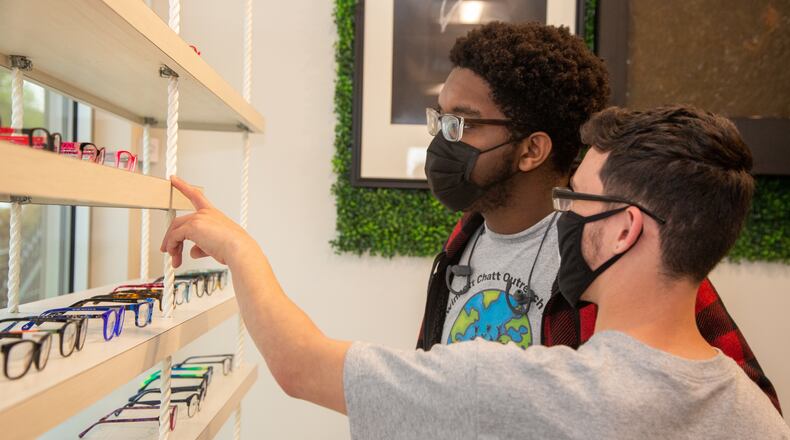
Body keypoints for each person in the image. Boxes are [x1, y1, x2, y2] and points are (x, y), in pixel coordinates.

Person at [161, 105, 790, 439]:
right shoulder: (756, 415)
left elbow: (301, 366)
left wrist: (240, 249)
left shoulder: (530, 391)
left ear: (625, 229)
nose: (563, 213)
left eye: (578, 200)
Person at [417, 21, 781, 412]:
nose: (441, 139)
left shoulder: (614, 250)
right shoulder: (463, 241)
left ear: (532, 150)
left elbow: (742, 401)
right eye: (440, 119)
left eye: (460, 124)